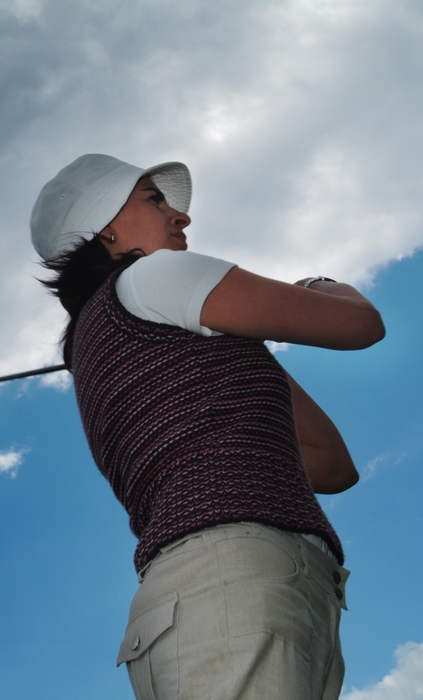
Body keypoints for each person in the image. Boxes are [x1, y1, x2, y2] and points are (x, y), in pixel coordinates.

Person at [32, 154, 385, 700]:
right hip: (232, 575)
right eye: (154, 200)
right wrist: (319, 283)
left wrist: (241, 342)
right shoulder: (154, 276)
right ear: (105, 228)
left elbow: (331, 465)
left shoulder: (100, 340)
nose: (181, 217)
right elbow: (360, 324)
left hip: (234, 583)